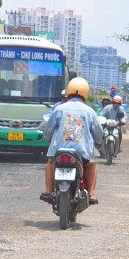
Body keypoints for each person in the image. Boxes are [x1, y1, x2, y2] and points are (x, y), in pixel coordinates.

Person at [40, 77, 103, 205]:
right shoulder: (89, 111)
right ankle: (91, 193)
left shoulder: (59, 109)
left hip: (59, 149)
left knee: (50, 162)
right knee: (91, 164)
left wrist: (48, 138)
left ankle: (47, 190)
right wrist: (98, 142)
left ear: (68, 91)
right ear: (86, 92)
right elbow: (98, 133)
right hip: (82, 151)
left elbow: (48, 129)